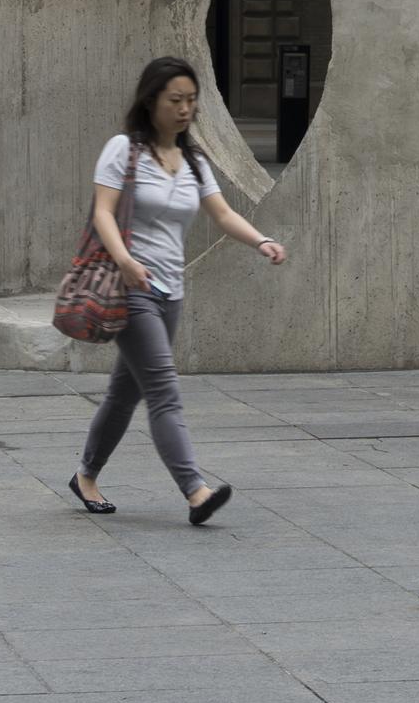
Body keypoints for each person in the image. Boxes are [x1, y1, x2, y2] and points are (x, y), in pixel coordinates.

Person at [69, 54, 285, 524]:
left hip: (171, 290)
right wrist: (125, 261)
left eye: (191, 100)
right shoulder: (122, 150)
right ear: (152, 101)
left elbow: (222, 214)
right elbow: (103, 212)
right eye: (175, 100)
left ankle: (85, 474)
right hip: (131, 287)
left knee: (125, 392)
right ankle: (195, 491)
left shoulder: (193, 160)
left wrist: (261, 240)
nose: (186, 109)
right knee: (163, 388)